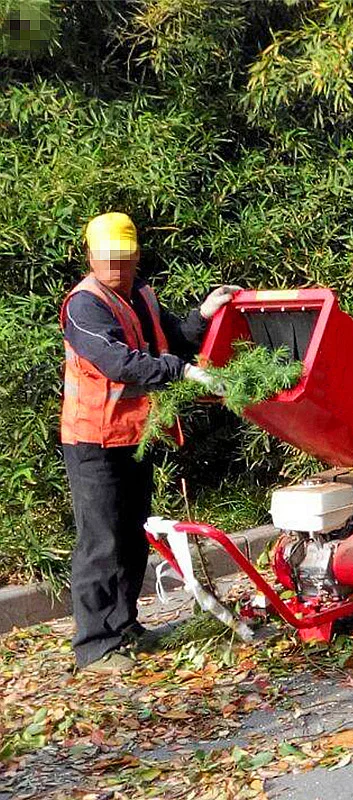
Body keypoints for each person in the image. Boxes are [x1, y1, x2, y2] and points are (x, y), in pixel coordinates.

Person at [60, 212, 240, 674]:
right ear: (90, 257)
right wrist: (181, 372)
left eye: (124, 259)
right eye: (107, 260)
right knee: (101, 540)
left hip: (132, 436)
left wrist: (203, 315)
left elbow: (170, 340)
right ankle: (95, 645)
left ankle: (125, 628)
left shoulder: (141, 294)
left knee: (130, 534)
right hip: (93, 439)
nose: (116, 268)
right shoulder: (84, 305)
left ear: (136, 256)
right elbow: (119, 362)